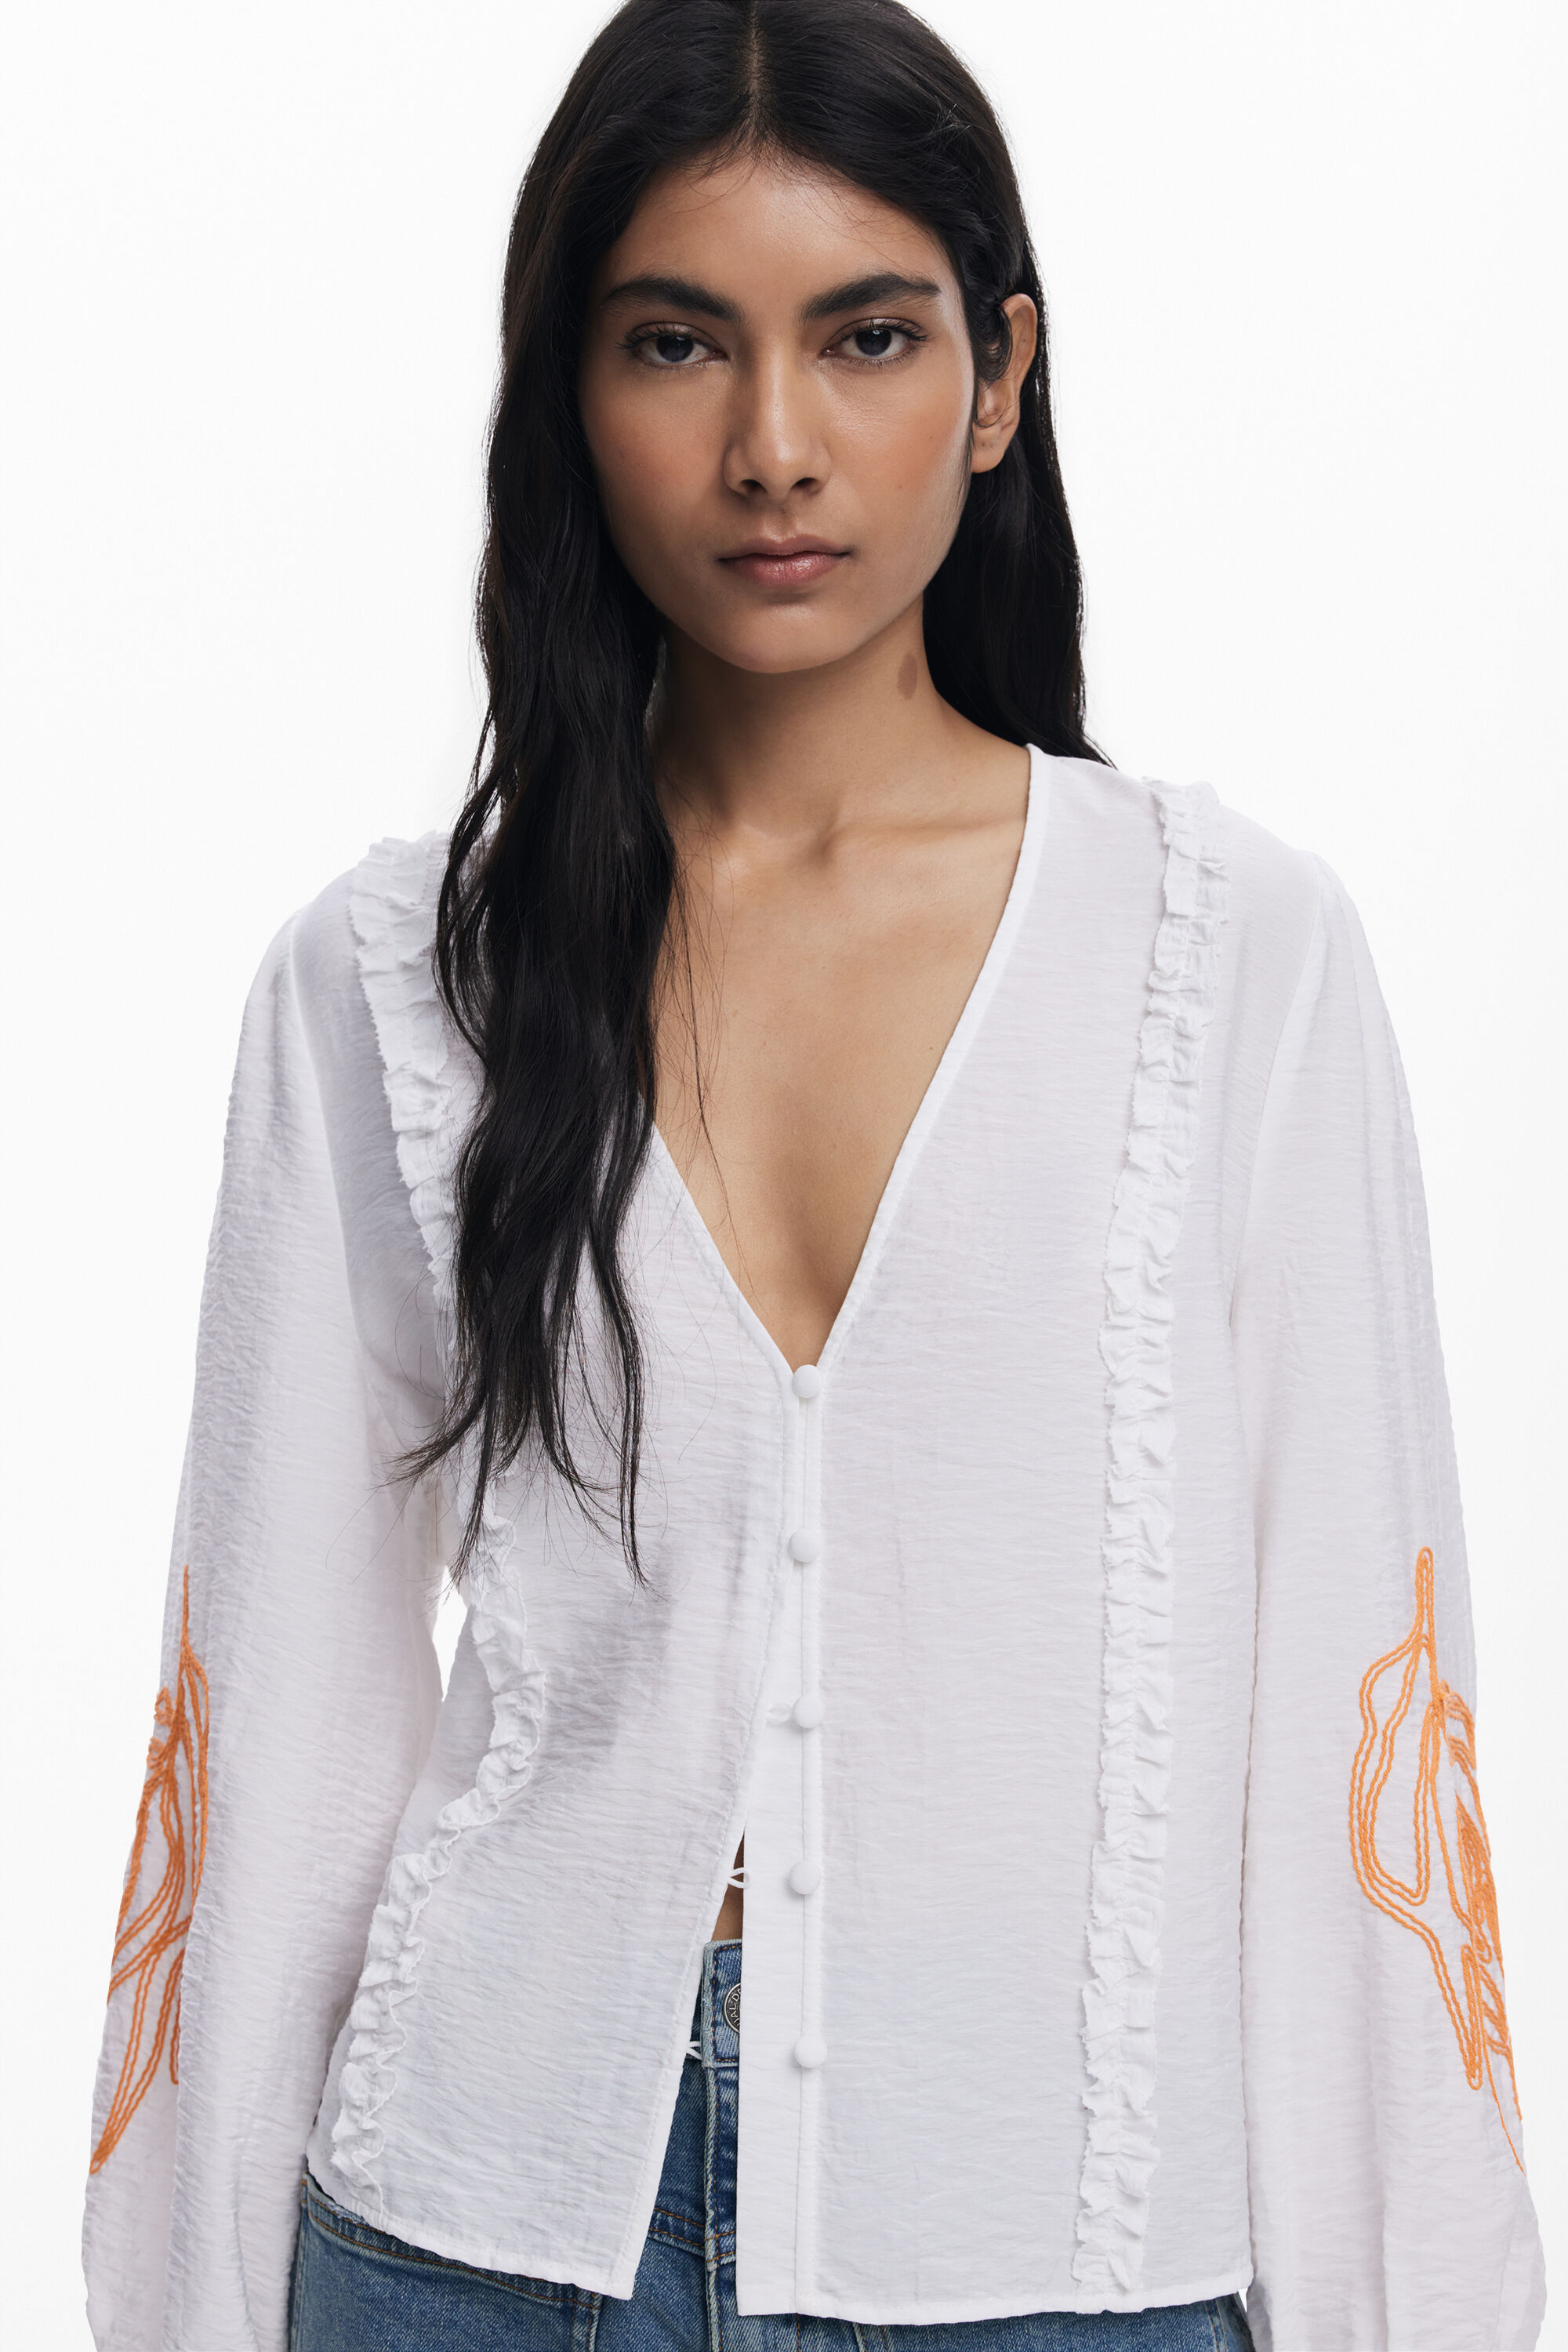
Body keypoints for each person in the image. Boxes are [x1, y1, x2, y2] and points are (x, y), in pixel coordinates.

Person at [82, 2, 1545, 2347]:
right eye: (677, 344)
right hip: (473, 2241)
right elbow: (271, 1714)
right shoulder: (395, 981)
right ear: (568, 392)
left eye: (867, 337)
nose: (774, 445)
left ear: (998, 377)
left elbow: (1361, 1728)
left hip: (1058, 2268)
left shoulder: (1228, 959)